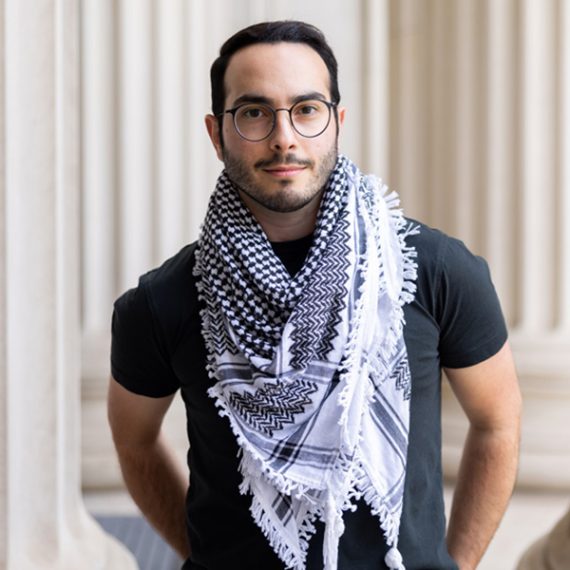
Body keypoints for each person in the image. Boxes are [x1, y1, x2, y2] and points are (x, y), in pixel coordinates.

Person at [108, 20, 522, 570]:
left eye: (306, 109)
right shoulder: (164, 301)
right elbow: (134, 441)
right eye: (254, 112)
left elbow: (498, 421)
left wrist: (453, 565)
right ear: (216, 133)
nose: (284, 137)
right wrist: (205, 553)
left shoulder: (433, 270)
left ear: (336, 123)